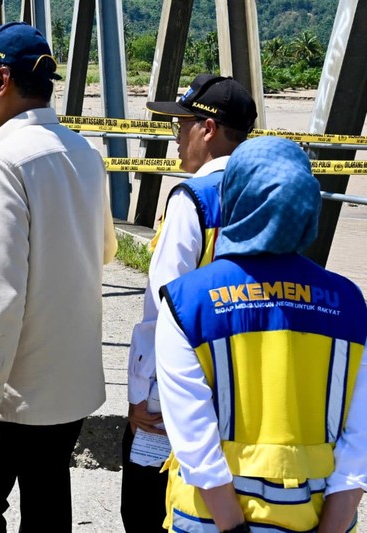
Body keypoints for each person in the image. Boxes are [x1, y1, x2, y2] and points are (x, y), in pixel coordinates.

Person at [0, 21, 117, 532]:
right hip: (70, 384)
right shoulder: (84, 151)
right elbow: (106, 248)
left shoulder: (3, 159)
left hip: (16, 386)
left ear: (1, 81)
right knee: (46, 503)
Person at [155, 136, 367, 532]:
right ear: (308, 206)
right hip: (318, 517)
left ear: (234, 197)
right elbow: (360, 443)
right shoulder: (350, 304)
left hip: (209, 519)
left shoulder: (188, 301)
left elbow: (193, 437)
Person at [121, 74, 257, 531]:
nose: (176, 136)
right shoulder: (266, 197)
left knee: (146, 511)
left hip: (179, 392)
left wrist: (143, 397)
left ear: (208, 129)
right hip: (246, 390)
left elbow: (165, 307)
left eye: (183, 124)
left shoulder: (192, 200)